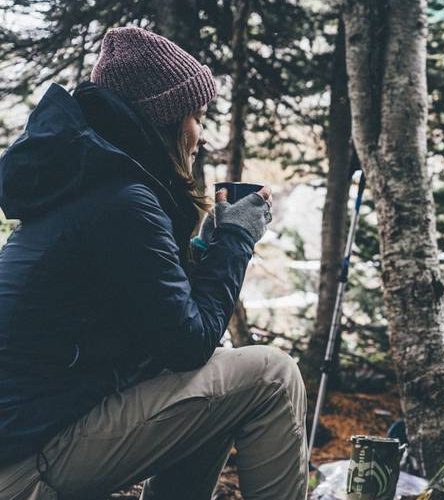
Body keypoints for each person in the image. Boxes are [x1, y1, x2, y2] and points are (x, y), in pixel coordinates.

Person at [0, 27, 308, 499]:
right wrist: (236, 240)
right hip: (28, 462)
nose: (200, 137)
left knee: (217, 388)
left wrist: (206, 251)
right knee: (272, 376)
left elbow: (164, 334)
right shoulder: (123, 201)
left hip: (26, 438)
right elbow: (187, 345)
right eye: (197, 118)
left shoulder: (87, 187)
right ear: (163, 119)